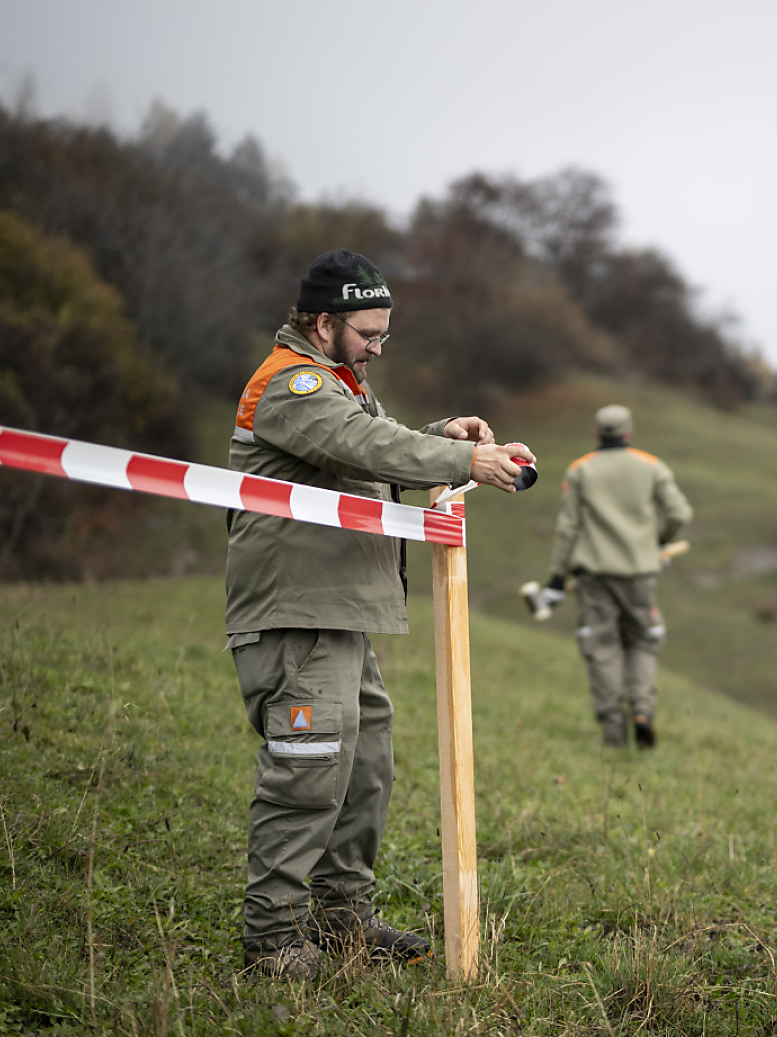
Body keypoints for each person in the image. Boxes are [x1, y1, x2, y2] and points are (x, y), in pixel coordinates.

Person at [224, 249, 533, 980]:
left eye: (385, 334)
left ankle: (342, 922)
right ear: (324, 323)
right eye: (368, 333)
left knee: (363, 772)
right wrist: (460, 464)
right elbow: (359, 444)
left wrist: (442, 435)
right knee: (308, 774)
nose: (377, 347)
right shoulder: (293, 385)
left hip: (340, 614)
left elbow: (369, 451)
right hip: (295, 613)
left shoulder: (337, 384)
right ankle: (272, 942)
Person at [542, 404, 692, 748]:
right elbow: (680, 513)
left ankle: (613, 730)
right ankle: (642, 709)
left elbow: (568, 528)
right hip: (641, 573)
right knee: (642, 641)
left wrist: (556, 577)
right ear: (628, 432)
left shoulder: (580, 470)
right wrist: (658, 541)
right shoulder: (651, 466)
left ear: (597, 434)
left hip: (594, 577)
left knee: (601, 647)